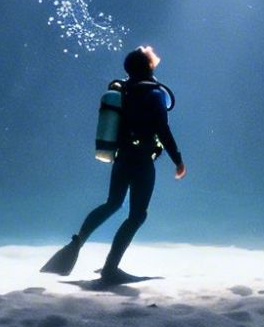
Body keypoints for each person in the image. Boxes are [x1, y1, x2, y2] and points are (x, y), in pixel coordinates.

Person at [41, 44, 185, 284]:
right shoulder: (155, 92)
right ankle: (110, 269)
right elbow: (163, 129)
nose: (152, 52)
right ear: (148, 65)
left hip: (121, 157)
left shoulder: (124, 91)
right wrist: (177, 159)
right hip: (141, 160)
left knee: (112, 203)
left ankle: (75, 245)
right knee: (137, 215)